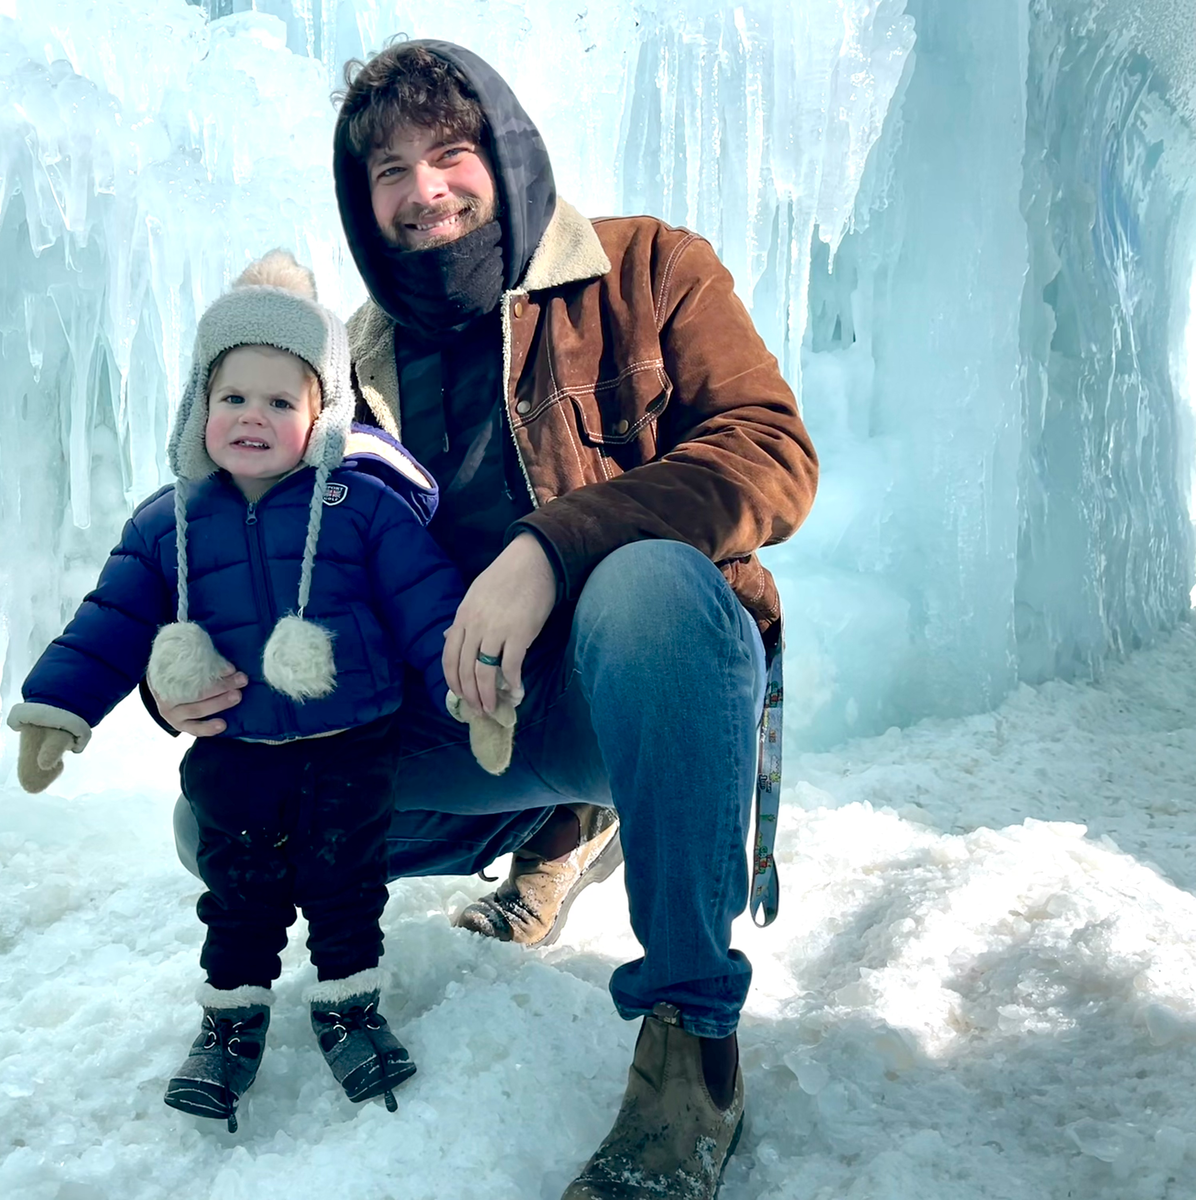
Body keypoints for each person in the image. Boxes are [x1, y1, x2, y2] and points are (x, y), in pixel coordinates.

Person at [153, 41, 820, 1198]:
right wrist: (204, 661)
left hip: (650, 692)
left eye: (451, 152)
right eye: (389, 171)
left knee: (649, 586)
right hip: (472, 710)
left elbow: (769, 454)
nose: (426, 191)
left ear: (504, 154)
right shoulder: (345, 369)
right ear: (361, 203)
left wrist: (548, 549)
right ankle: (558, 832)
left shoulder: (648, 268)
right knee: (221, 819)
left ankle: (689, 1050)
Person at [7, 251, 494, 1133]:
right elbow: (110, 620)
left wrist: (473, 690)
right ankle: (229, 1024)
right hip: (231, 749)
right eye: (234, 398)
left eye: (282, 401)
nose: (254, 419)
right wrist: (59, 707)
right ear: (202, 407)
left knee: (347, 882)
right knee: (239, 889)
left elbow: (432, 608)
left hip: (353, 745)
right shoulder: (169, 522)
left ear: (323, 413)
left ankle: (350, 1008)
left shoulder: (364, 507)